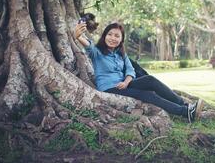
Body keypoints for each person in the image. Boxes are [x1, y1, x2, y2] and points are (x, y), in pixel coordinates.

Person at [74, 14, 204, 123]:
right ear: (104, 36)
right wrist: (79, 35)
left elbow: (130, 71)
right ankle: (185, 113)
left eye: (117, 36)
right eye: (110, 34)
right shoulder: (97, 52)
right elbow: (87, 44)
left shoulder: (121, 54)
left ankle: (184, 105)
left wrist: (126, 82)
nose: (113, 38)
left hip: (124, 85)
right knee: (147, 95)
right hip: (109, 88)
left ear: (121, 39)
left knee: (150, 80)